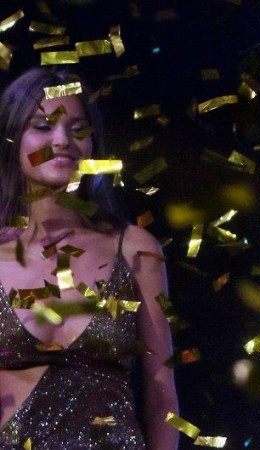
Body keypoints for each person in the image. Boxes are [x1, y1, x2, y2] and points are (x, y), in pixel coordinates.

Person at [0, 68, 178, 449]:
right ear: (12, 139)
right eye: (43, 127)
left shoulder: (135, 248)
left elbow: (161, 394)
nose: (62, 140)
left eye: (78, 129)